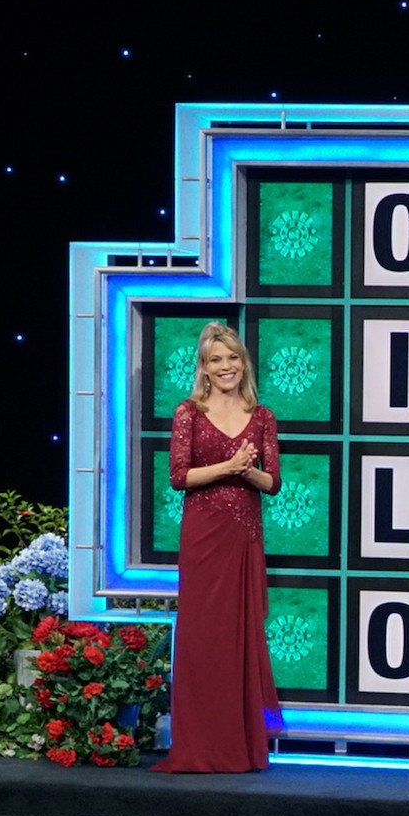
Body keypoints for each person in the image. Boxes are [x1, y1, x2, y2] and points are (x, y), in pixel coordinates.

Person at [151, 322, 286, 773]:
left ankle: (241, 747)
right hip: (204, 536)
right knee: (203, 638)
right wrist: (229, 465)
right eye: (216, 360)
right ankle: (200, 745)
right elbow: (178, 477)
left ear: (243, 363)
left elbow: (273, 483)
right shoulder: (188, 412)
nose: (226, 367)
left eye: (232, 358)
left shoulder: (262, 415)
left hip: (243, 537)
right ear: (204, 369)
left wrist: (247, 473)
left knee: (239, 638)